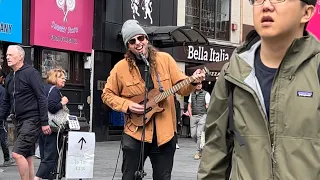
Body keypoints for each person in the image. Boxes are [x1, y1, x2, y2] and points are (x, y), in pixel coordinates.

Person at [198, 0, 319, 180]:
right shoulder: (233, 73)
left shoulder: (316, 69)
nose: (266, 6)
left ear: (307, 12)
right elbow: (215, 151)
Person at [101, 19, 205, 180]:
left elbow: (182, 87)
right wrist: (127, 105)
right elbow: (107, 94)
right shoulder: (120, 68)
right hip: (135, 133)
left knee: (163, 177)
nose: (138, 43)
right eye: (132, 41)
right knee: (130, 177)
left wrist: (194, 81)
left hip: (164, 135)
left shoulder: (165, 59)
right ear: (128, 46)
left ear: (146, 39)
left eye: (140, 38)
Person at [0, 45, 51, 180]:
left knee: (17, 153)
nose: (7, 57)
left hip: (32, 119)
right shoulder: (10, 77)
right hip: (19, 121)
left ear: (21, 56)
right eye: (6, 55)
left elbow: (41, 97)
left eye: (11, 55)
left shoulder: (31, 73)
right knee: (27, 155)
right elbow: (6, 101)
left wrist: (44, 122)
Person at [35, 68, 68, 180]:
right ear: (55, 78)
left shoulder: (45, 89)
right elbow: (52, 108)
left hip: (43, 125)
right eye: (62, 77)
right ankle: (36, 178)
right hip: (52, 128)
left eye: (65, 78)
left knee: (45, 157)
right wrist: (62, 102)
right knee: (50, 158)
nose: (65, 80)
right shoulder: (53, 90)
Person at [187, 83, 210, 160]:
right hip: (193, 116)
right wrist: (190, 115)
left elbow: (208, 105)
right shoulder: (191, 94)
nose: (199, 85)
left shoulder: (206, 94)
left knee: (199, 134)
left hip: (202, 115)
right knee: (193, 135)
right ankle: (202, 147)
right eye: (197, 84)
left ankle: (198, 151)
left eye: (200, 84)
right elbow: (189, 105)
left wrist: (207, 109)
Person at [0, 69, 15, 167]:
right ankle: (6, 159)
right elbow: (4, 105)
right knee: (3, 139)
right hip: (1, 118)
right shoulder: (2, 90)